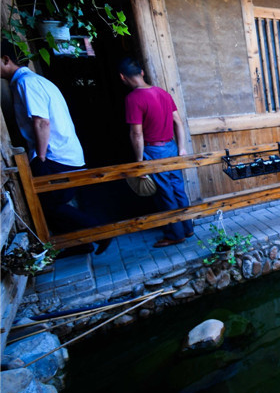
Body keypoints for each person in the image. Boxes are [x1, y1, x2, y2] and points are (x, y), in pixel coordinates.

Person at [0, 40, 110, 255]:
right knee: (49, 205)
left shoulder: (27, 83)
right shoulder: (34, 81)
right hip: (62, 153)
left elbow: (42, 121)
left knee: (48, 206)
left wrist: (40, 158)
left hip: (55, 156)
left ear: (6, 60)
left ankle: (100, 232)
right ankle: (81, 243)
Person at [119, 57, 193, 247]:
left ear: (122, 77)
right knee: (177, 188)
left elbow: (137, 134)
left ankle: (175, 235)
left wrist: (139, 163)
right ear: (142, 73)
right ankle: (187, 227)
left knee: (164, 193)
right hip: (171, 147)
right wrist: (182, 147)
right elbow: (178, 121)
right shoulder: (163, 93)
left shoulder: (133, 99)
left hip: (153, 150)